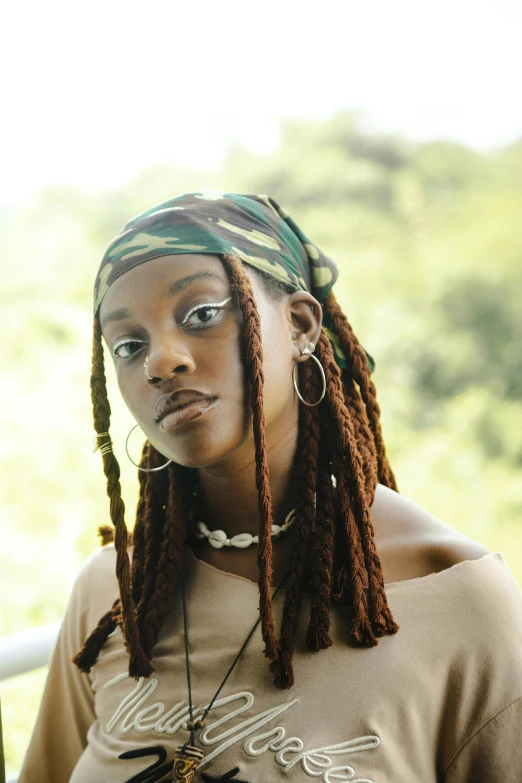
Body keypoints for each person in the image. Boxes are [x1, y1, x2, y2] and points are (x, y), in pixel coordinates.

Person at [18, 192, 522, 783]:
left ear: (300, 325)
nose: (161, 361)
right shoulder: (116, 592)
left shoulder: (457, 597)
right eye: (128, 345)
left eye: (201, 313)